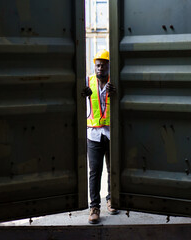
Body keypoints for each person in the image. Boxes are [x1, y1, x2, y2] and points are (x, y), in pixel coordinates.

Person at [81, 49, 118, 224]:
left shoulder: (114, 83)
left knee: (113, 170)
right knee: (94, 172)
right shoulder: (88, 82)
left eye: (103, 65)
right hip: (94, 134)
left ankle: (111, 199)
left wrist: (116, 92)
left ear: (109, 66)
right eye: (98, 65)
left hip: (111, 133)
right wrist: (83, 94)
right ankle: (94, 207)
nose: (100, 68)